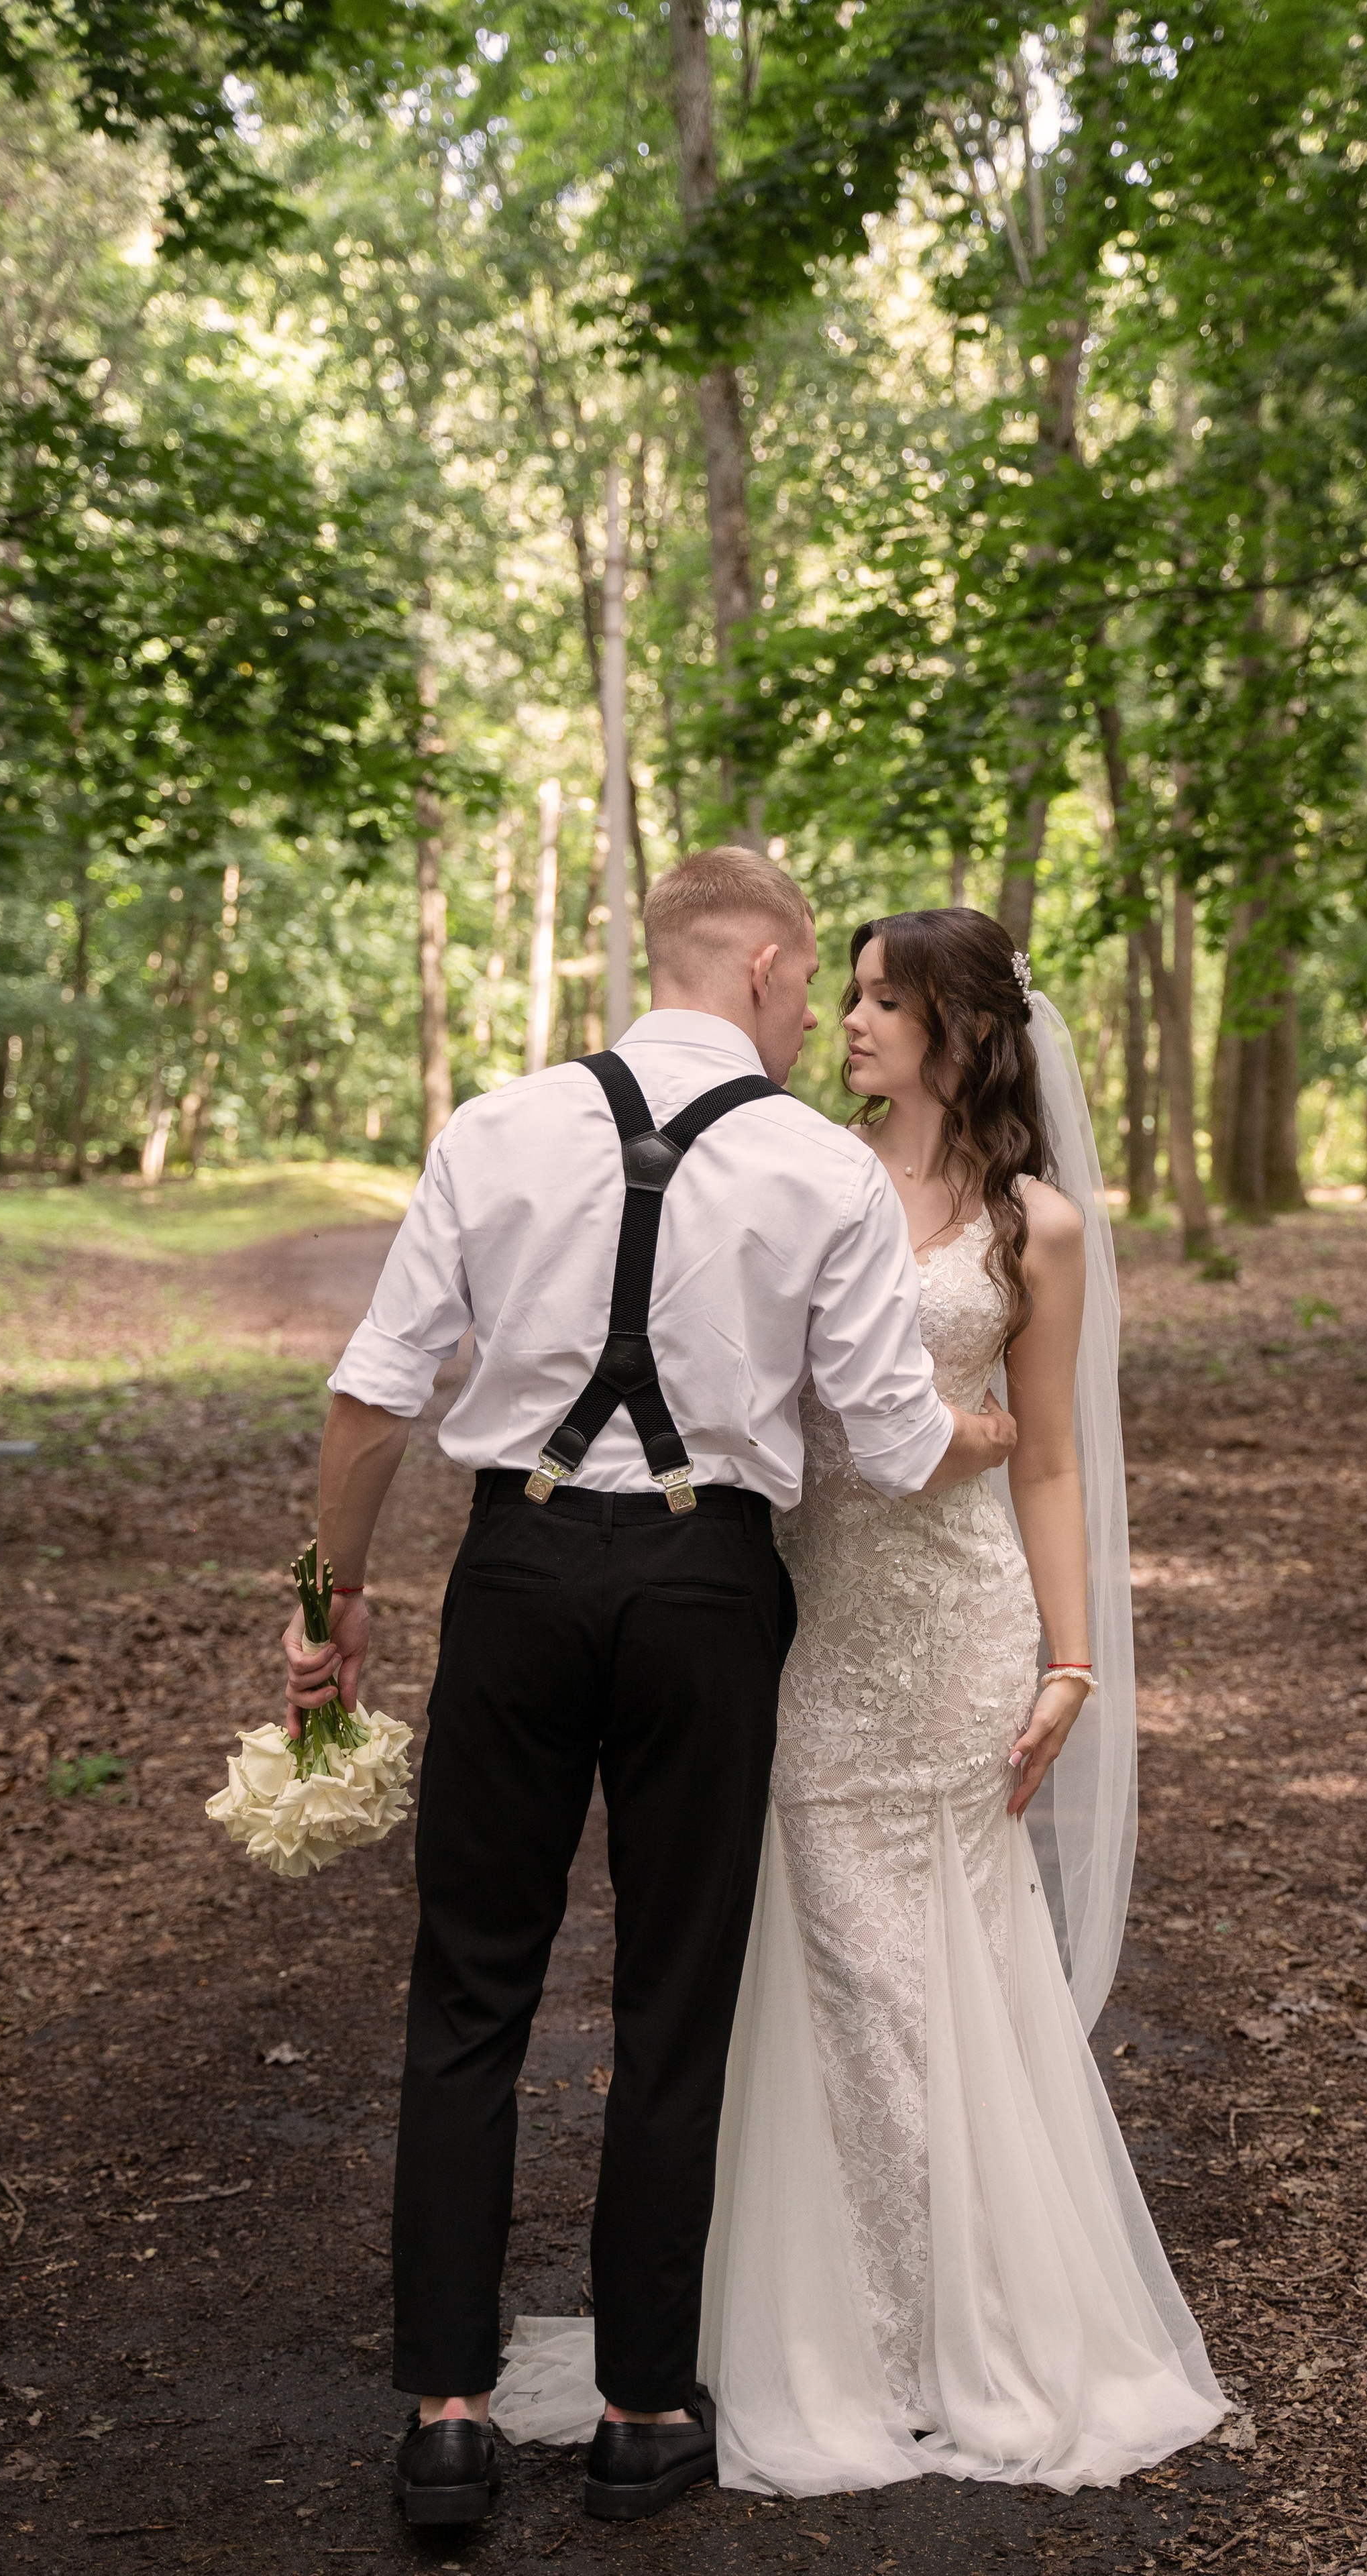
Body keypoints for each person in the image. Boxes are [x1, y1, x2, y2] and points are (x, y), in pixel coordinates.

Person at [280, 852, 1016, 2529]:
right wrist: (990, 1432)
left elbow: (373, 1399)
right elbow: (889, 1441)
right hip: (704, 1589)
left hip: (518, 1575)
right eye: (810, 976)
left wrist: (335, 1602)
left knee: (471, 1989)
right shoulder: (816, 1169)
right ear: (759, 964)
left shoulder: (494, 1126)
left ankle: (447, 2421)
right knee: (676, 2001)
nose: (814, 1011)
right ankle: (638, 2410)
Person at [495, 909, 1225, 2493]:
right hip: (804, 1617)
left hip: (957, 1623)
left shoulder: (1039, 1227)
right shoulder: (798, 1169)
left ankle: (956, 2322)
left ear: (963, 1025)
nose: (851, 1020)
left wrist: (1071, 1660)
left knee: (947, 1966)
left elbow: (1045, 1458)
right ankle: (822, 2317)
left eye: (887, 1000)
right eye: (851, 993)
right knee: (837, 1965)